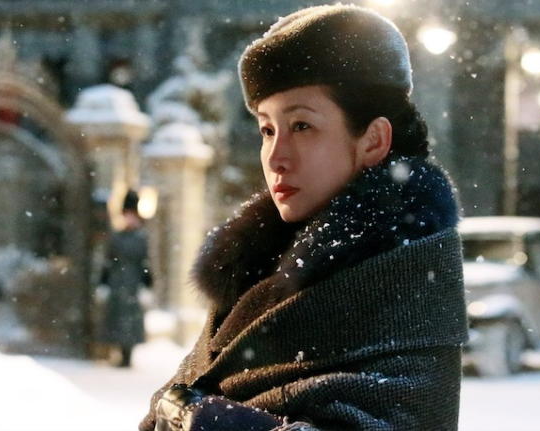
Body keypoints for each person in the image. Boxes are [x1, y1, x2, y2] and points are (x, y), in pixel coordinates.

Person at [141, 4, 468, 431]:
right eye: (267, 129)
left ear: (373, 140)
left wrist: (206, 418)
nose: (275, 157)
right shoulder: (256, 269)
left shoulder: (408, 276)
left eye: (301, 126)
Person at [98, 190, 153, 367]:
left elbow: (145, 263)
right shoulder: (116, 236)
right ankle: (117, 353)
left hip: (133, 282)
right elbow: (108, 261)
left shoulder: (141, 238)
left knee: (130, 321)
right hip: (117, 281)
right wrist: (103, 282)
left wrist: (147, 285)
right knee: (116, 319)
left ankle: (127, 355)